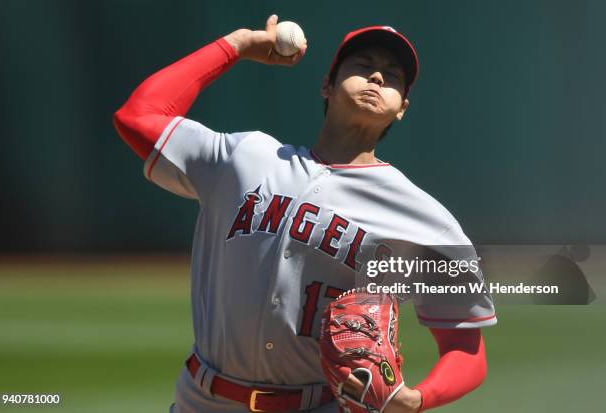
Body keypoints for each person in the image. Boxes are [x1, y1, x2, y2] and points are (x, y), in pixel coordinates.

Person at [113, 14, 496, 413]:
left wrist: (418, 400)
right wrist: (238, 45)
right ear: (326, 85)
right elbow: (138, 115)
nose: (377, 78)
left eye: (393, 76)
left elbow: (466, 351)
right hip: (202, 402)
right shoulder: (246, 157)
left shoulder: (425, 220)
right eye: (363, 67)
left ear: (402, 108)